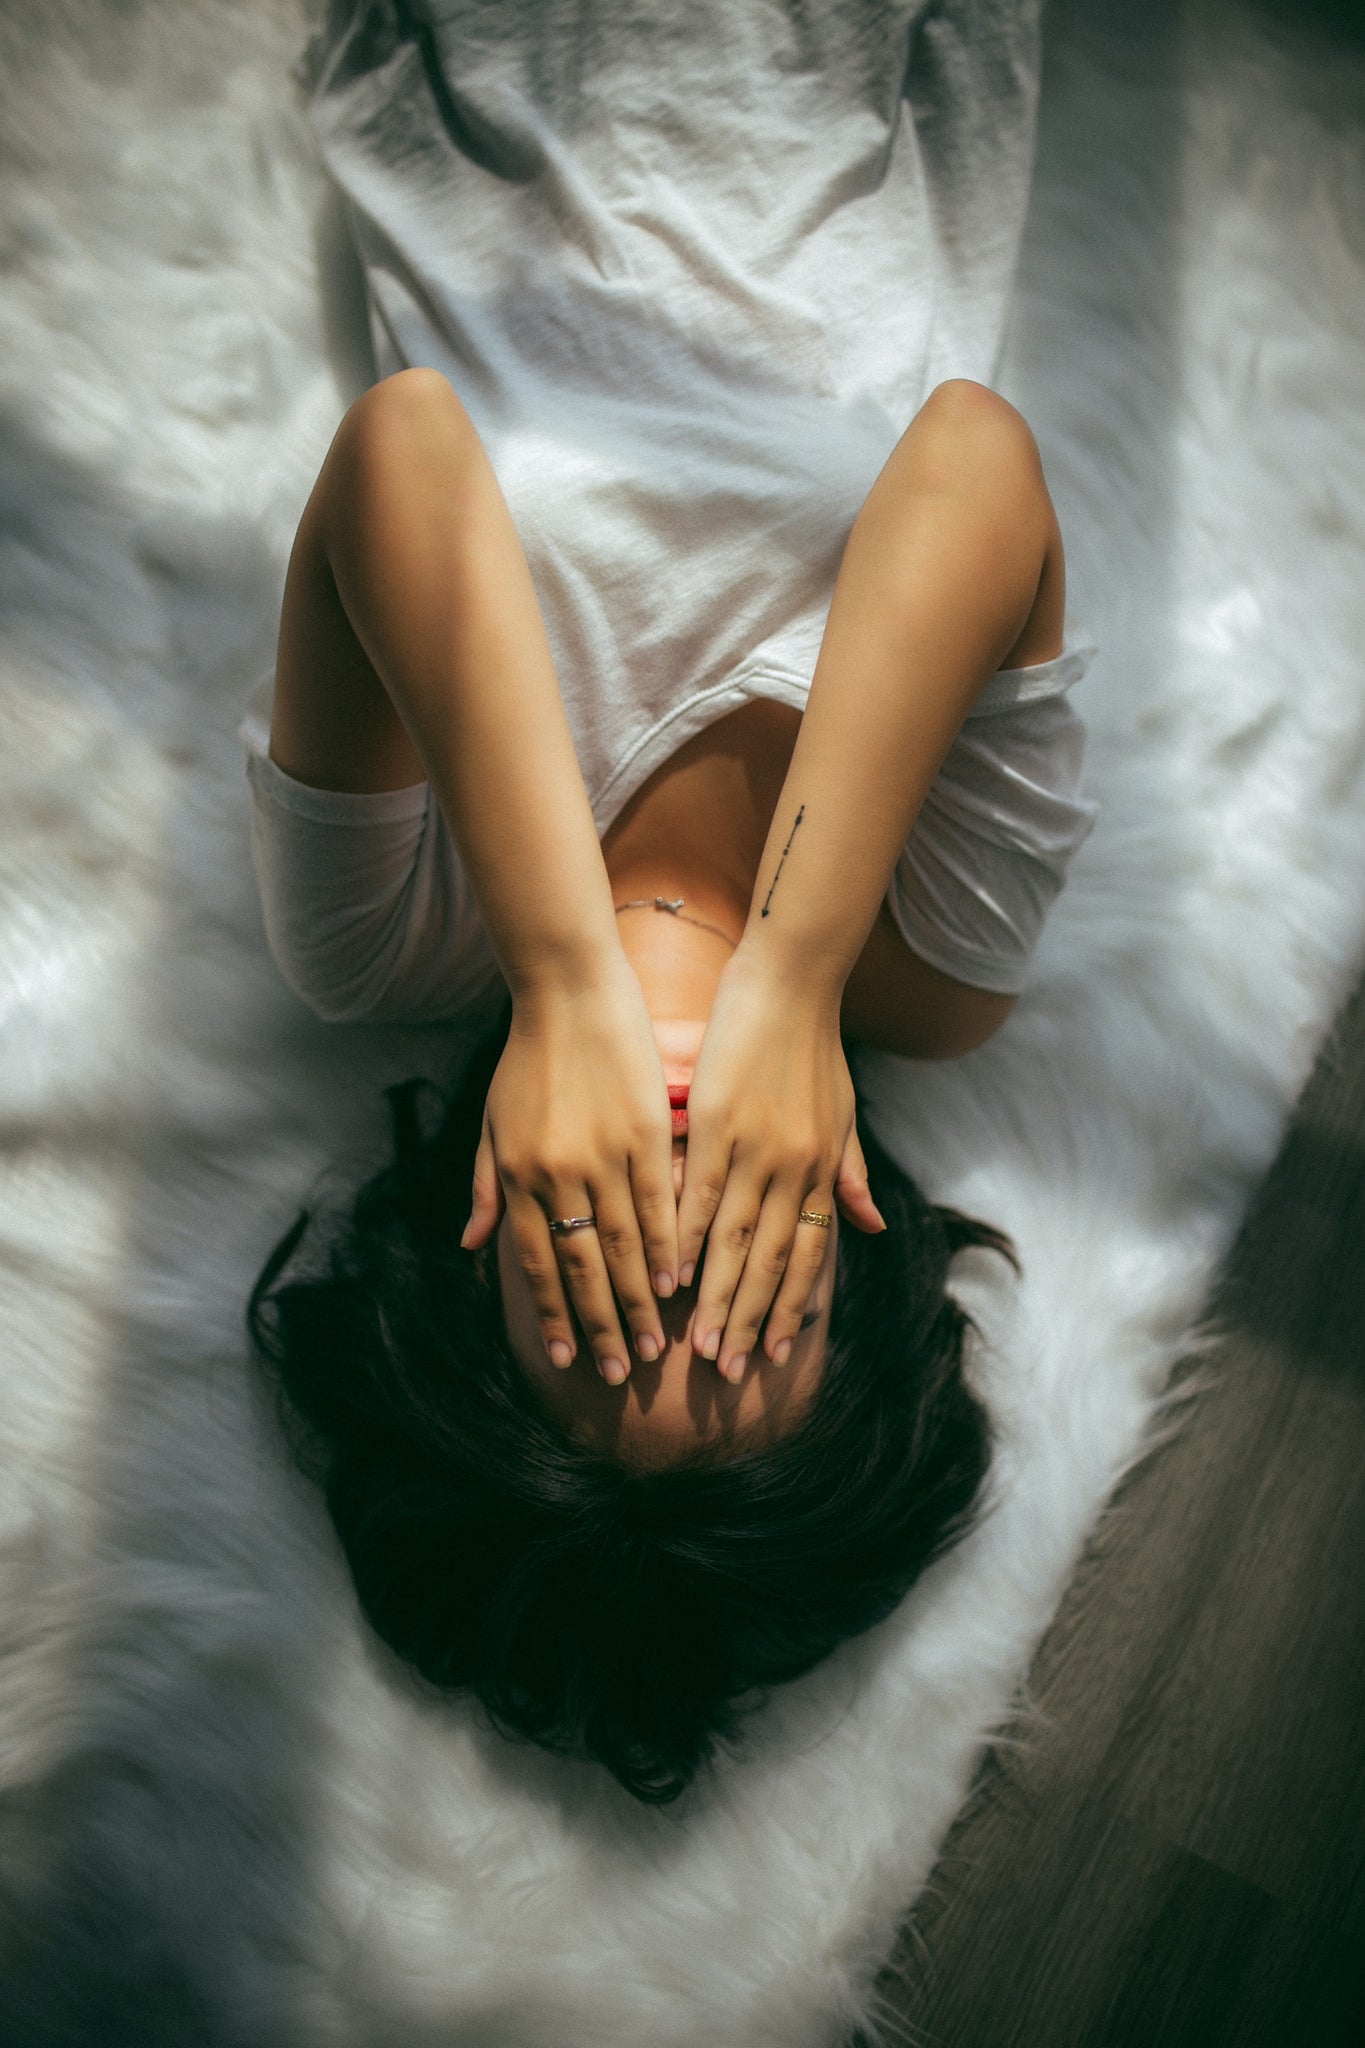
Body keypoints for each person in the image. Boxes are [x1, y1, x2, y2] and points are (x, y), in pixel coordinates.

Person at [243, 0, 1096, 1802]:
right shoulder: (934, 972)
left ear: (475, 1262)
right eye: (751, 1301)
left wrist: (559, 978)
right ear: (850, 1259)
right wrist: (792, 976)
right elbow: (968, 459)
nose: (686, 1212)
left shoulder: (385, 941)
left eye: (613, 1286)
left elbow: (399, 451)